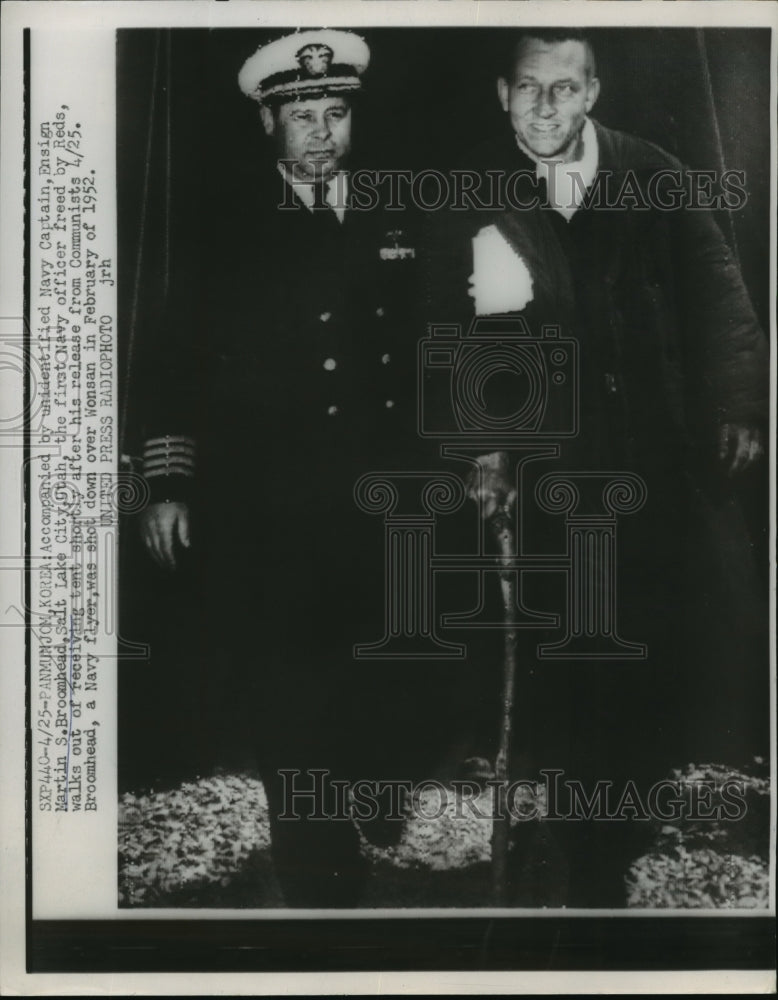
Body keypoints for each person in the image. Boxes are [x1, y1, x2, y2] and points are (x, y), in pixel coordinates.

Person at [424, 28, 769, 906]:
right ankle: (580, 833)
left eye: (565, 89)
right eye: (530, 89)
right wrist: (485, 445)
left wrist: (737, 405)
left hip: (651, 455)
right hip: (547, 474)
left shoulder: (650, 172)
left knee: (654, 637)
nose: (546, 108)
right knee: (567, 650)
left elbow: (716, 291)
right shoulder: (469, 190)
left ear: (593, 93)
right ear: (503, 93)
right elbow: (456, 331)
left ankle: (630, 801)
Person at [136, 29, 443, 907]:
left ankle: (366, 811)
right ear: (270, 124)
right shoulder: (225, 231)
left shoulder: (397, 214)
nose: (321, 133)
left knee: (381, 672)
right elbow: (170, 364)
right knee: (288, 679)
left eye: (336, 113)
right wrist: (169, 483)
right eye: (302, 116)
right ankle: (314, 861)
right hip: (266, 504)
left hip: (384, 497)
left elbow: (437, 341)